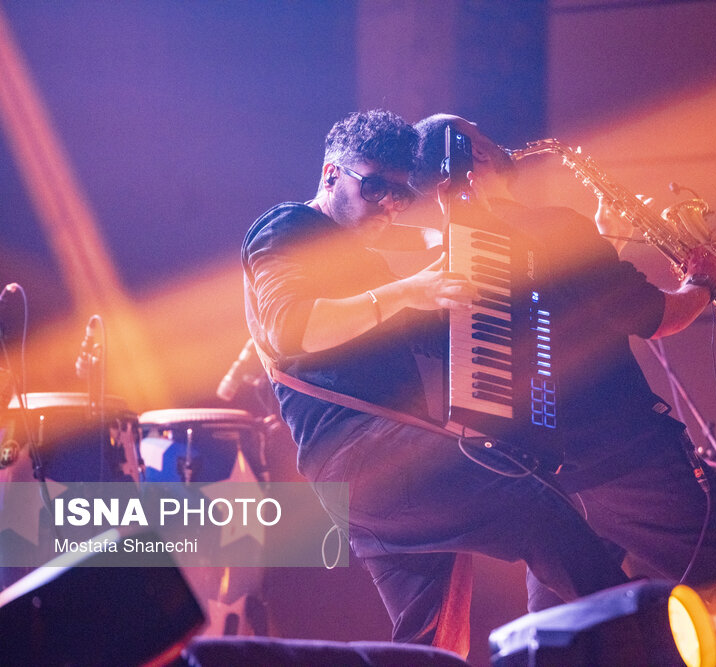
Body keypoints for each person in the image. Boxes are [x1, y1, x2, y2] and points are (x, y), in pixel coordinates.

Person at [242, 110, 636, 658]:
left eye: (401, 195)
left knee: (430, 647)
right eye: (375, 186)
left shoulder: (366, 256)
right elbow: (291, 326)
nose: (388, 205)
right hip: (362, 456)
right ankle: (643, 643)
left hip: (373, 473)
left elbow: (434, 301)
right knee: (538, 506)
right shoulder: (289, 228)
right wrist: (407, 290)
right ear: (331, 174)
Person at [411, 113, 716, 645]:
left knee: (568, 631)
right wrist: (704, 279)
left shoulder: (452, 257)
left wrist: (595, 239)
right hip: (627, 458)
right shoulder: (553, 226)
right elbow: (656, 318)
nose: (496, 140)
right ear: (474, 155)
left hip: (546, 480)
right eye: (481, 135)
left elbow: (555, 312)